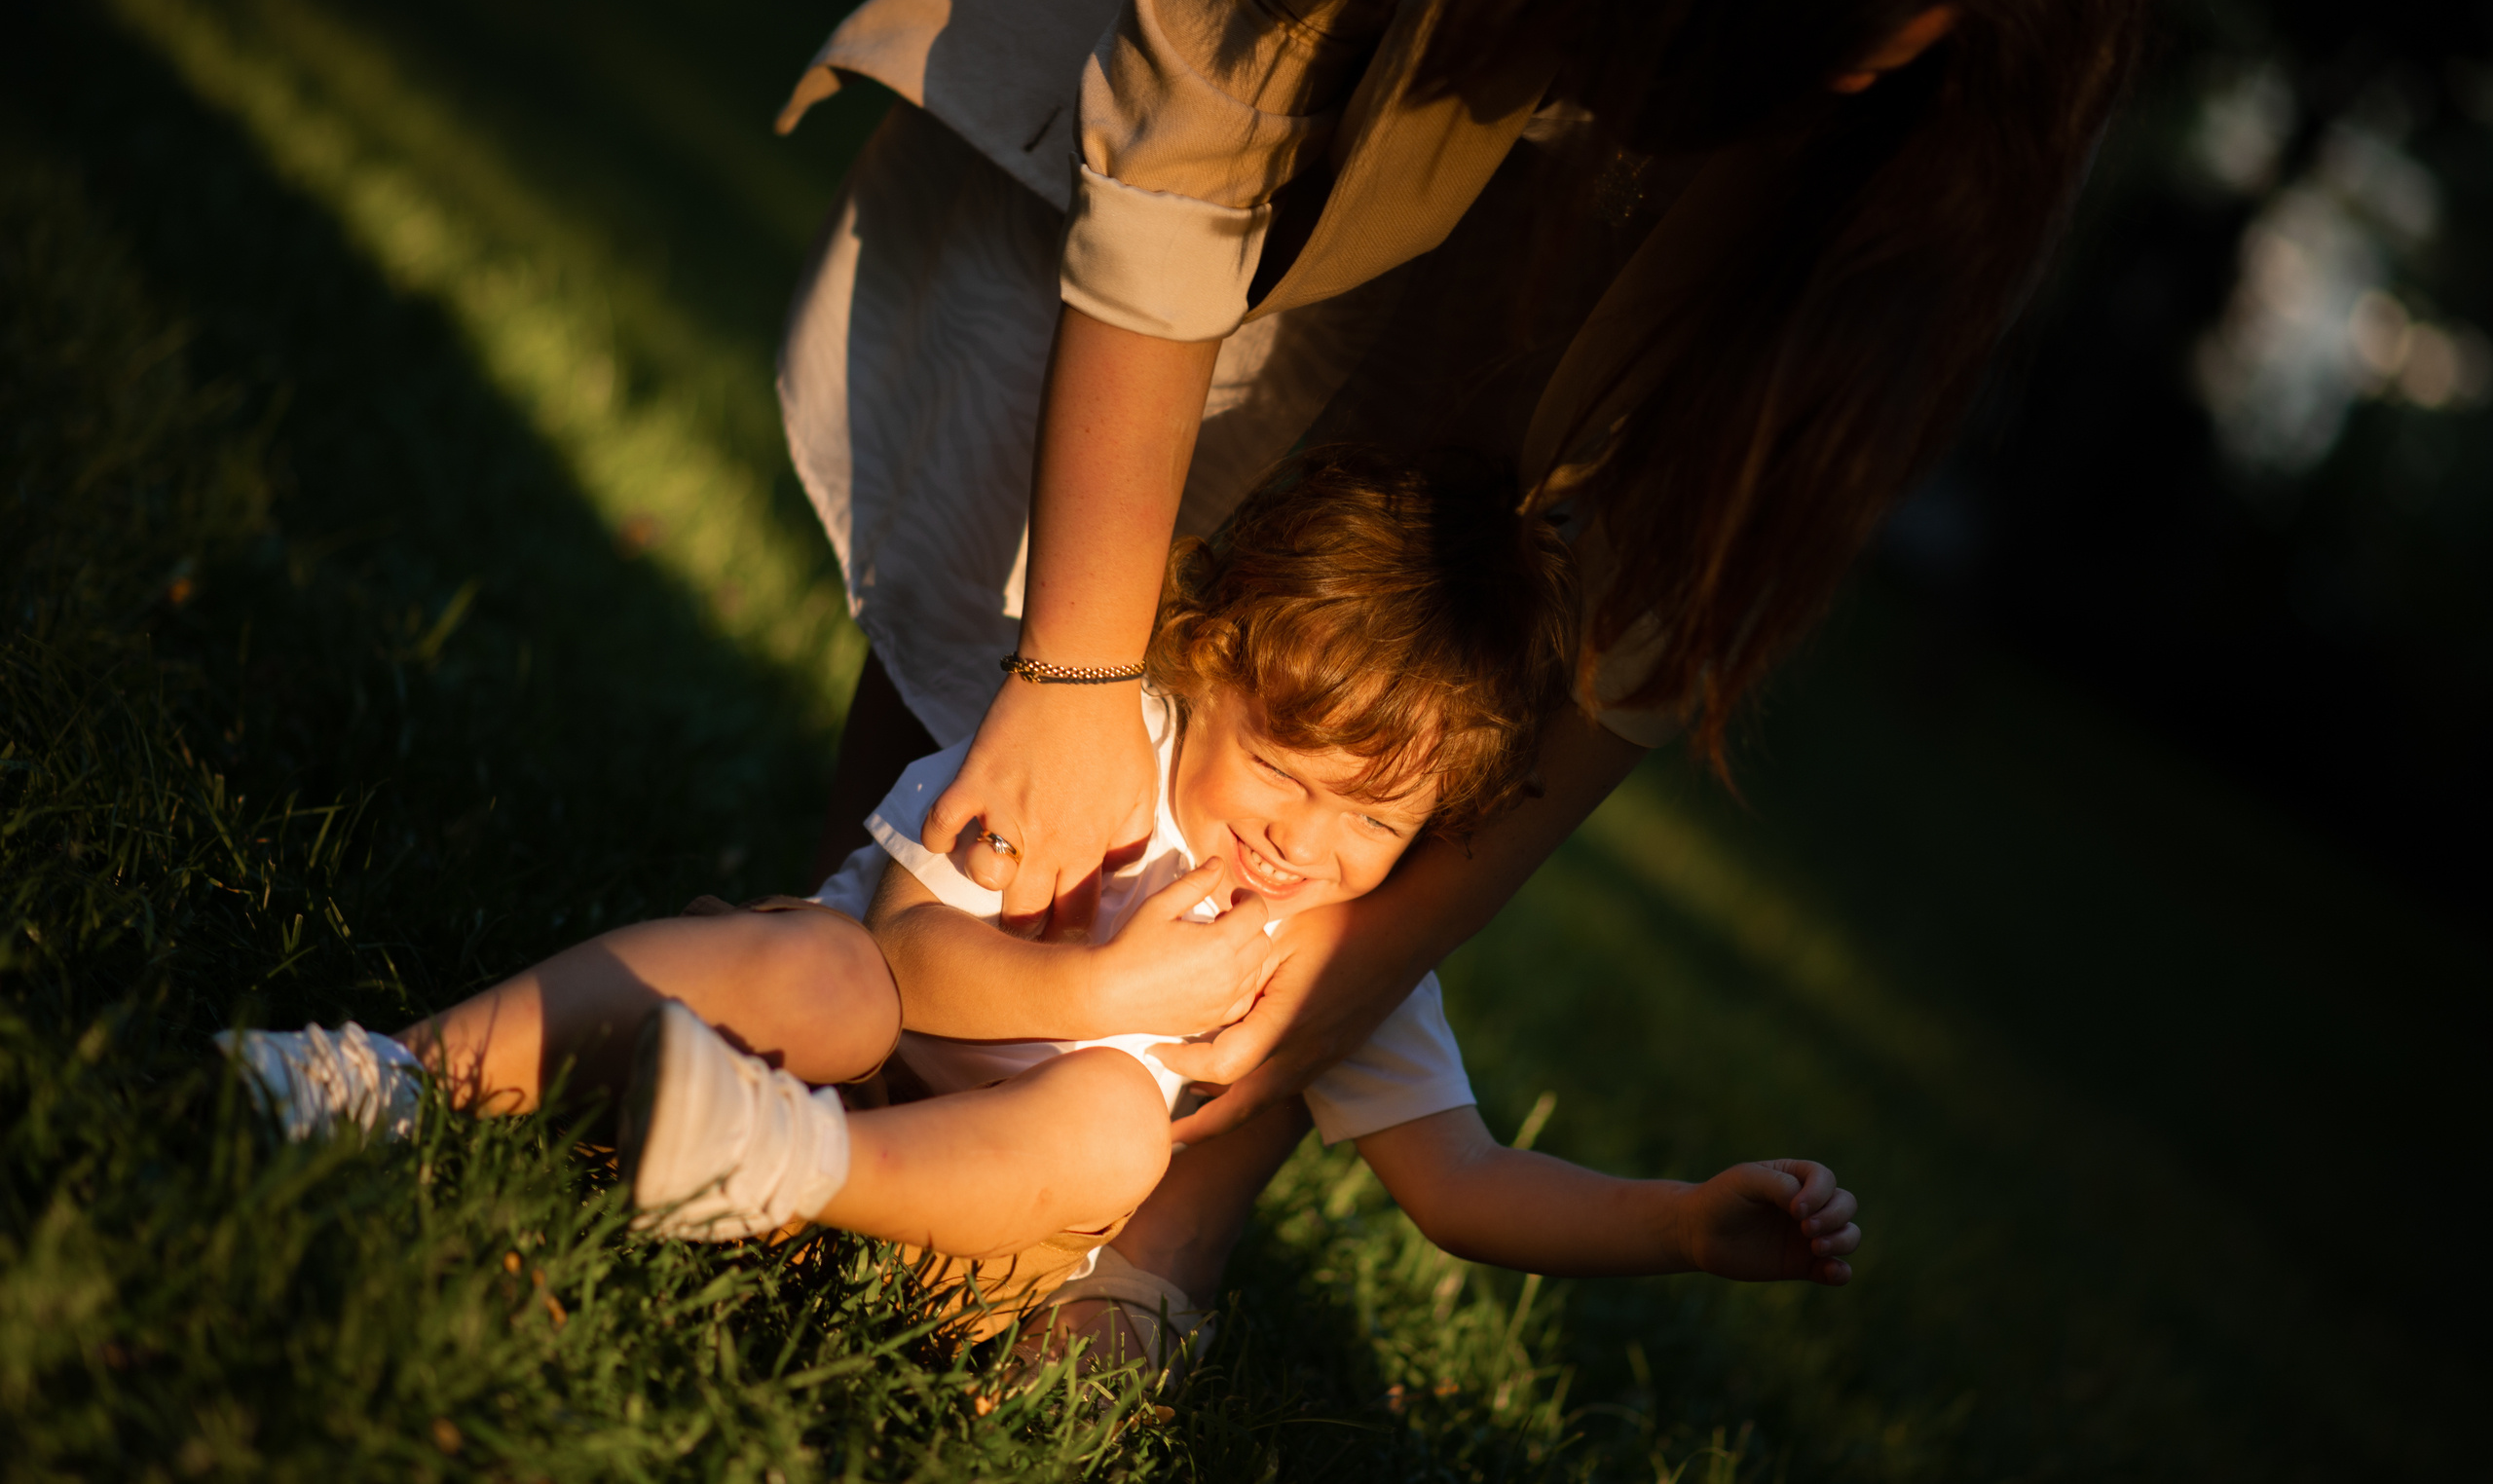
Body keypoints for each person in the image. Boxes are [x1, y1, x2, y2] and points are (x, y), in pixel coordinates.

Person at [772, 0, 2189, 1161]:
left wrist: (1372, 957)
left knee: (1433, 591)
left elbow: (1680, 557)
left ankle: (1151, 1200)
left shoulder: (1927, 123)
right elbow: (1172, 165)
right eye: (1799, 52)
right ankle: (865, 981)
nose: (1824, 91)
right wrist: (1075, 669)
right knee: (1027, 540)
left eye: (1861, 76)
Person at [219, 452, 1863, 1368]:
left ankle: (775, 1164)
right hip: (860, 1026)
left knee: (1110, 1140)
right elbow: (919, 960)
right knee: (816, 962)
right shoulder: (1105, 760)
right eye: (1283, 775)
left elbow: (1461, 1182)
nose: (1304, 844)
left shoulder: (1331, 954)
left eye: (1375, 822)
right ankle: (403, 1072)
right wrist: (1121, 975)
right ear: (1203, 662)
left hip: (949, 1209)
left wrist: (1677, 1223)